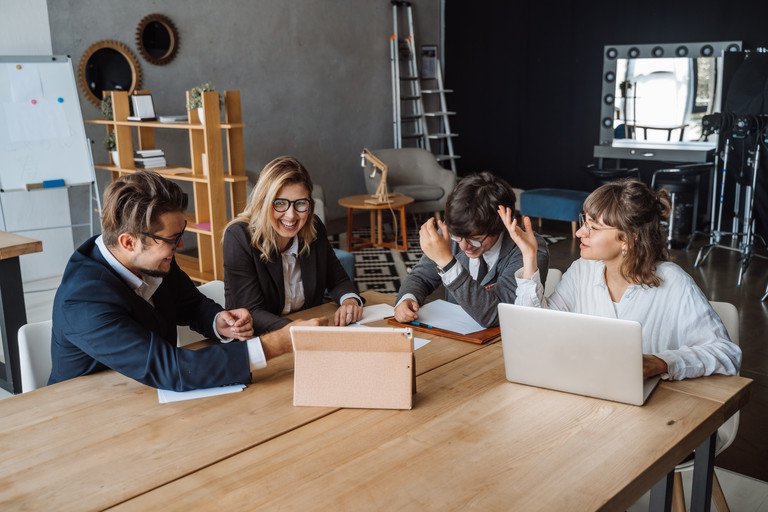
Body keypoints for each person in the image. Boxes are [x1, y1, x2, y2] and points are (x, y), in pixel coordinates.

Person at [49, 171, 325, 391]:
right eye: (172, 240)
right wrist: (276, 344)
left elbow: (190, 304)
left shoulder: (153, 258)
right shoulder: (83, 300)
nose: (179, 246)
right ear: (129, 241)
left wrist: (220, 322)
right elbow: (170, 368)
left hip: (148, 398)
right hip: (86, 414)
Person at [498, 179, 741, 380]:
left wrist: (660, 362)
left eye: (593, 227)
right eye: (585, 221)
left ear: (627, 239)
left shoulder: (674, 282)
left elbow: (726, 353)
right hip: (587, 392)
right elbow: (536, 331)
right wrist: (529, 257)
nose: (580, 232)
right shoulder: (583, 269)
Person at [223, 156, 362, 333]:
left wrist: (350, 301)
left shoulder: (314, 227)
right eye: (280, 203)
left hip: (309, 333)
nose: (291, 215)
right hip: (262, 340)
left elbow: (338, 279)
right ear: (264, 202)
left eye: (300, 203)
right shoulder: (238, 237)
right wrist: (297, 328)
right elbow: (252, 312)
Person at [394, 172, 549, 328]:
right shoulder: (457, 232)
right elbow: (421, 276)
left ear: (500, 226)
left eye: (475, 239)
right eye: (457, 237)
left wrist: (448, 264)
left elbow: (496, 316)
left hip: (498, 344)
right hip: (452, 335)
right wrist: (408, 298)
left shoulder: (530, 250)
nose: (463, 246)